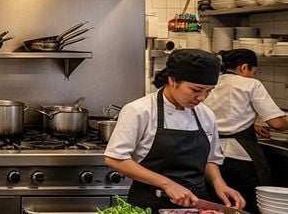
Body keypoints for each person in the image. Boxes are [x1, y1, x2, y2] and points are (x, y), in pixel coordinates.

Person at [104, 49, 245, 212]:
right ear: (172, 80)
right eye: (196, 90)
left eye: (208, 91)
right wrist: (167, 184)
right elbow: (115, 159)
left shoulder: (206, 115)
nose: (202, 98)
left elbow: (210, 159)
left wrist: (220, 184)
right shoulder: (139, 111)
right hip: (150, 204)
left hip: (196, 205)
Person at [203, 48, 288, 214]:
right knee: (244, 205)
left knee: (217, 205)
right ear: (244, 67)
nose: (253, 76)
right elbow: (277, 123)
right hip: (240, 157)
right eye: (253, 72)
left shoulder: (212, 83)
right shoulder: (251, 84)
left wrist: (252, 125)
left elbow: (220, 115)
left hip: (209, 157)